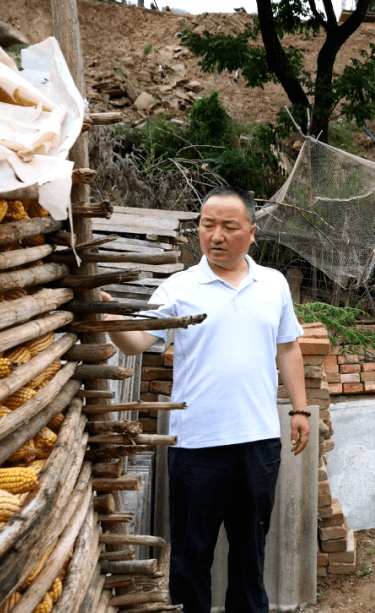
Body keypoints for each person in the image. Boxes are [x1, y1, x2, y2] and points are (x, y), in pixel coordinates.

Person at [103, 186, 310, 613]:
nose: (216, 235)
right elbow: (137, 341)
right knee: (190, 554)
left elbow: (288, 347)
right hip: (195, 444)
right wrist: (110, 318)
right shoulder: (179, 287)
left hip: (258, 442)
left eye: (229, 227)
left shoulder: (272, 285)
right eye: (207, 225)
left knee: (250, 552)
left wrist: (301, 409)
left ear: (251, 233)